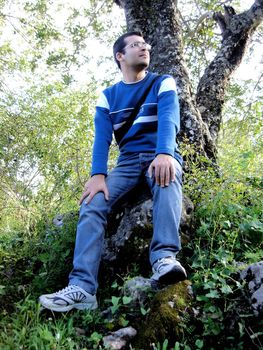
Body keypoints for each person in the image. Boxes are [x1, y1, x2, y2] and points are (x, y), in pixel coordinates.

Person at [39, 31, 187, 312]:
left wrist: (166, 152)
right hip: (128, 161)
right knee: (93, 203)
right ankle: (82, 288)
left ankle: (164, 259)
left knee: (167, 178)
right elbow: (102, 139)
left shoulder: (162, 82)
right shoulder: (108, 97)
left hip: (159, 153)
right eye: (135, 45)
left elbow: (169, 118)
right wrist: (97, 175)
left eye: (145, 44)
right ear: (120, 56)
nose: (143, 48)